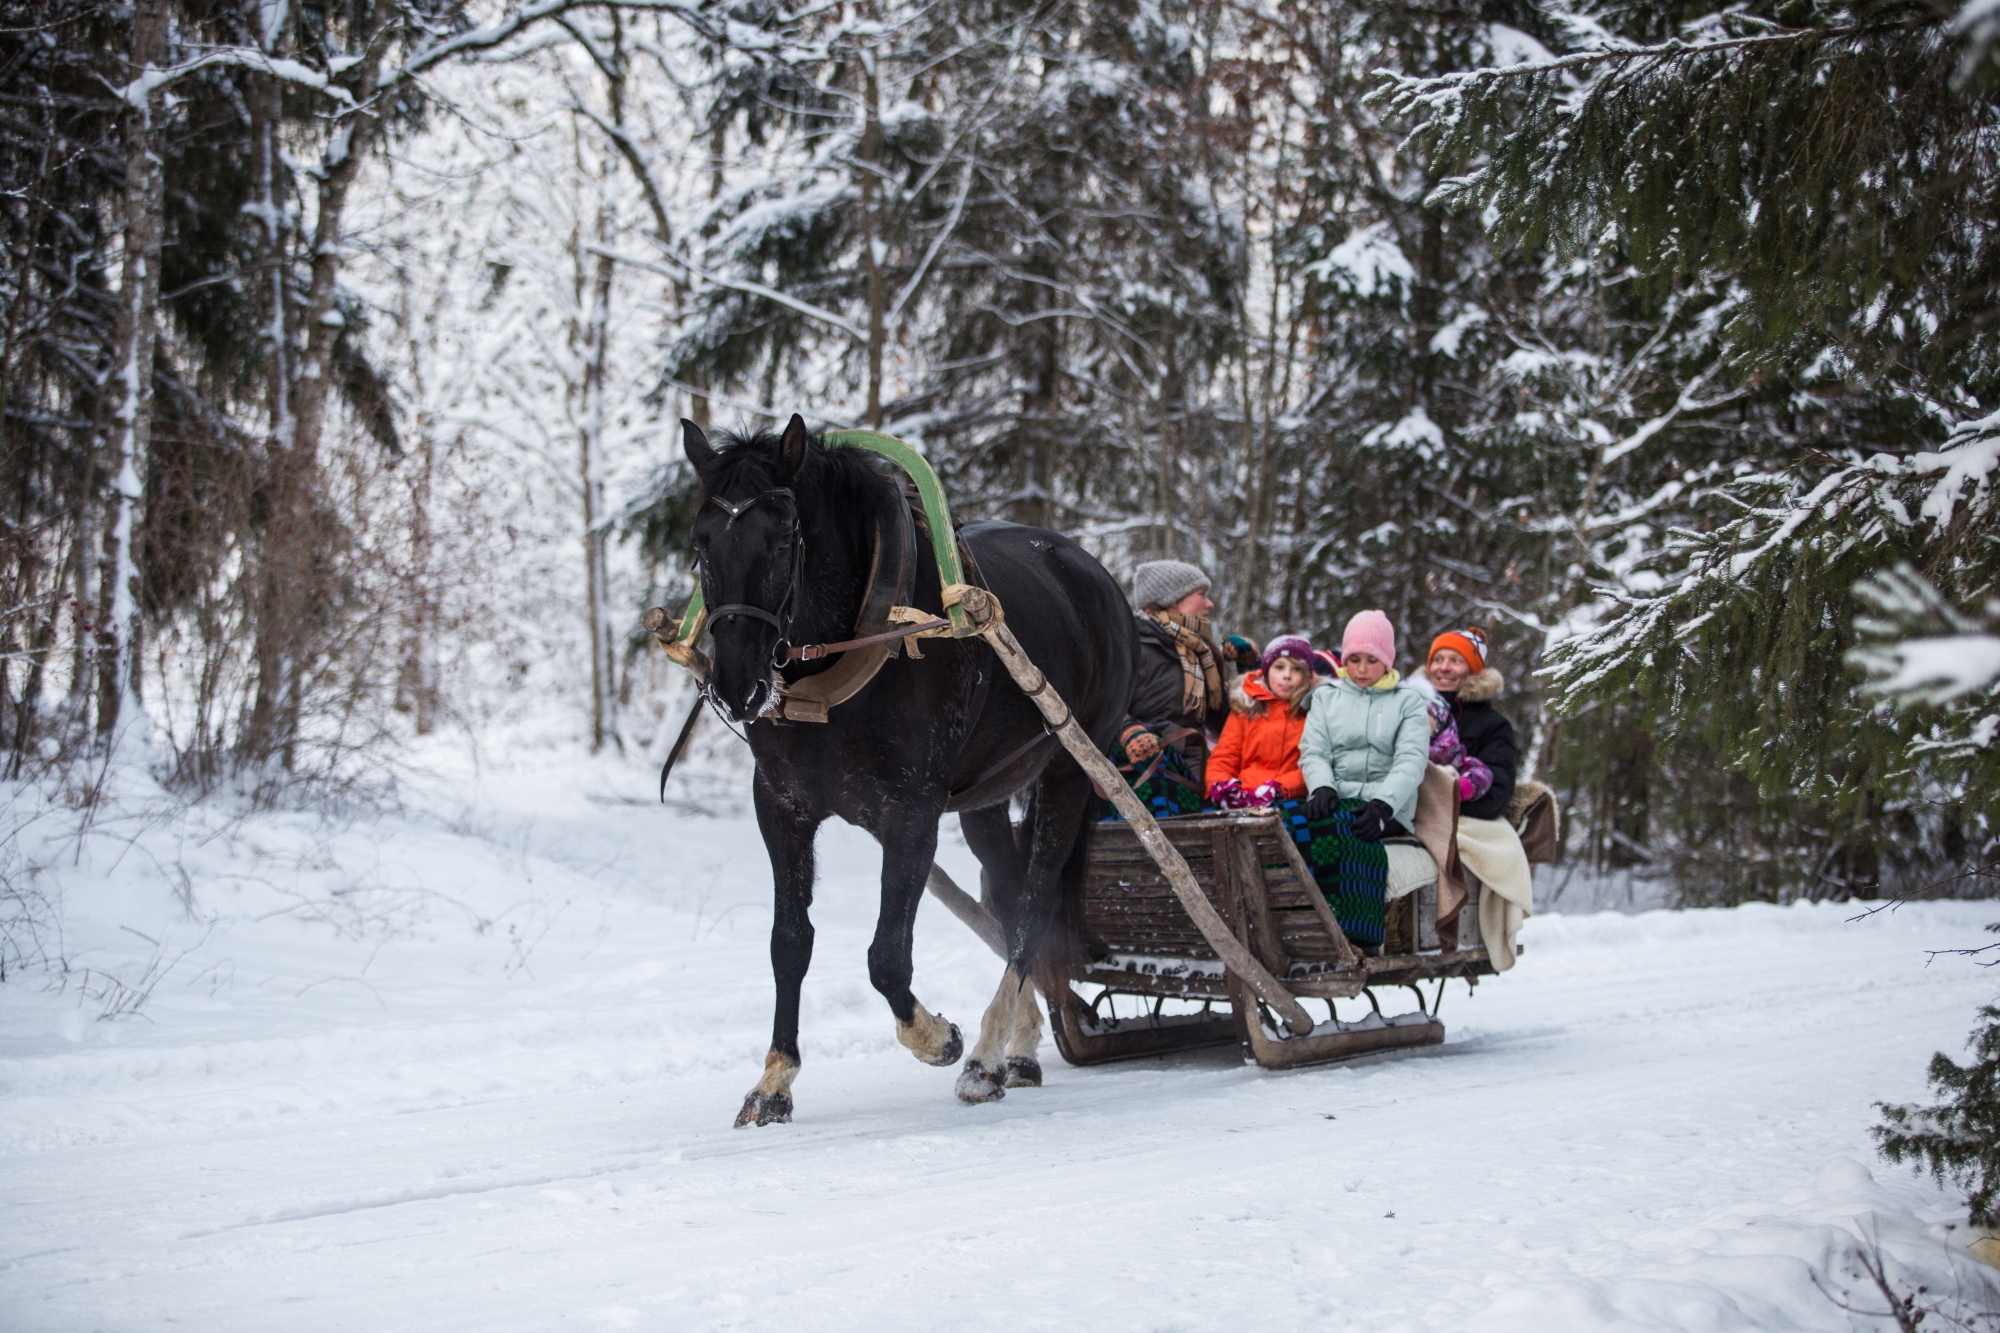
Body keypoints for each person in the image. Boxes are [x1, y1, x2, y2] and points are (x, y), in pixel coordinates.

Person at [1282, 611, 1430, 948]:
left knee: (1341, 832)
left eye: (1372, 660)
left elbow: (1411, 760)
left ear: (1387, 661)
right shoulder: (1326, 698)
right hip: (1336, 797)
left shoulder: (1408, 703)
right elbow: (1314, 750)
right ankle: (1288, 922)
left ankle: (1351, 932)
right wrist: (1321, 786)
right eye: (1355, 659)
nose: (1362, 669)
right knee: (1284, 823)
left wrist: (1384, 805)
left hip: (1384, 808)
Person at [1424, 626, 1532, 970]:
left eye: (1454, 660)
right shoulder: (1410, 708)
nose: (1443, 667)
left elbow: (1497, 795)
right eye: (1437, 659)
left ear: (1472, 670)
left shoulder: (1492, 725)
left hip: (1461, 813)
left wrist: (1446, 795)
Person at [1120, 560, 1235, 779]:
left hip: (1194, 772)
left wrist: (1256, 671)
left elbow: (1227, 724)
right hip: (1139, 770)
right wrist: (1127, 730)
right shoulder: (1130, 645)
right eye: (1201, 594)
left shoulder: (1202, 651)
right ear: (1172, 602)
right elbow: (1102, 702)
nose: (1209, 604)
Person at [1205, 636, 1316, 810]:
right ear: (1266, 671)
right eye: (1279, 667)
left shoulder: (1314, 711)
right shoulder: (1246, 707)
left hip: (1291, 798)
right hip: (1243, 795)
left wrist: (1279, 788)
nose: (1286, 676)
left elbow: (1316, 762)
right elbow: (1225, 755)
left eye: (1296, 669)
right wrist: (1220, 785)